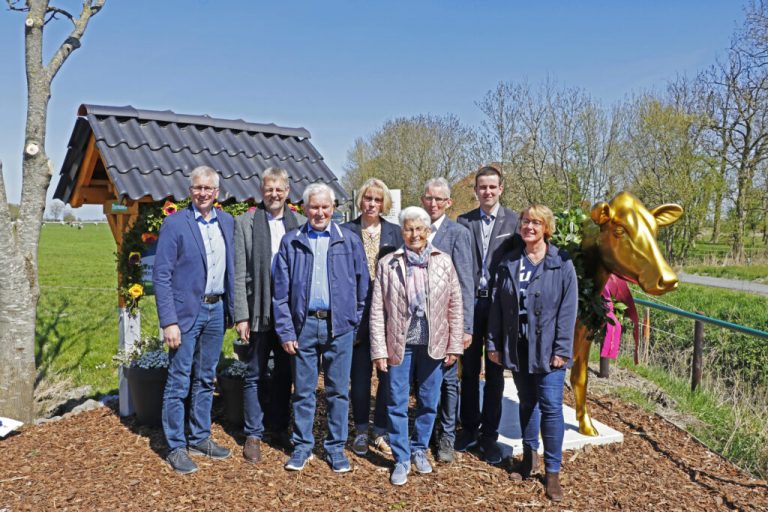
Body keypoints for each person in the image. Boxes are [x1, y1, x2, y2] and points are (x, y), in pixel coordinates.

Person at [272, 183, 369, 473]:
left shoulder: (349, 240)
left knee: (338, 391)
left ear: (333, 209)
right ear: (304, 209)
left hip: (339, 326)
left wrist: (354, 324)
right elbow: (280, 294)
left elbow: (363, 288)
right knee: (303, 391)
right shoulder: (291, 242)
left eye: (325, 207)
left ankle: (336, 448)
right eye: (314, 207)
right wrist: (286, 331)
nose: (320, 212)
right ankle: (302, 446)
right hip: (304, 326)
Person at [486, 205, 578, 502]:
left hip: (549, 347)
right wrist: (494, 343)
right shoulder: (510, 262)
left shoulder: (561, 263)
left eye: (536, 222)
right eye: (525, 221)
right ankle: (529, 458)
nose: (529, 227)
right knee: (527, 403)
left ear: (546, 228)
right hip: (519, 344)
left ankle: (552, 473)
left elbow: (568, 309)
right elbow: (498, 307)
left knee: (551, 406)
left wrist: (563, 348)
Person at [370, 206, 464, 486]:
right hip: (399, 344)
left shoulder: (443, 261)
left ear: (427, 231)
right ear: (402, 232)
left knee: (428, 401)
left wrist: (454, 344)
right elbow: (377, 310)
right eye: (409, 229)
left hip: (433, 344)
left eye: (419, 229)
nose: (414, 234)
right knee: (397, 402)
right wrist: (379, 349)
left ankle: (419, 449)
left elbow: (455, 304)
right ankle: (401, 457)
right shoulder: (388, 264)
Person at [153, 165, 235, 475]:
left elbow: (231, 269)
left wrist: (233, 312)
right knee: (179, 380)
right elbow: (162, 275)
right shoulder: (175, 224)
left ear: (217, 193)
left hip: (217, 311)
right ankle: (176, 446)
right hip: (186, 313)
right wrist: (168, 321)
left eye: (208, 189)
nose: (202, 193)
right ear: (191, 191)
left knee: (205, 378)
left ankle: (199, 437)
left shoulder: (226, 222)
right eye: (197, 188)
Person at [234, 167, 305, 463]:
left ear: (287, 191)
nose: (274, 194)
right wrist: (242, 315)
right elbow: (239, 273)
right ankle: (253, 433)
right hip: (258, 309)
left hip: (289, 313)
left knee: (285, 374)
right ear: (261, 191)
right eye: (268, 189)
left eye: (279, 189)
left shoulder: (299, 222)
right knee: (254, 373)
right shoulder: (246, 222)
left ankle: (277, 427)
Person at [455, 164, 522, 464]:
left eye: (492, 187)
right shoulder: (463, 221)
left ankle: (489, 436)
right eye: (482, 187)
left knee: (495, 372)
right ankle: (469, 428)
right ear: (476, 190)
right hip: (472, 304)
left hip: (498, 308)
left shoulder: (515, 221)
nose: (487, 192)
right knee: (469, 371)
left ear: (501, 189)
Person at [342, 178, 402, 457]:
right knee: (360, 375)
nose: (372, 204)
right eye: (368, 199)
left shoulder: (396, 233)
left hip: (388, 314)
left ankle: (380, 430)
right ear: (360, 200)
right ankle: (361, 429)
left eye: (378, 200)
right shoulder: (345, 231)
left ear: (384, 203)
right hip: (356, 311)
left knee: (388, 374)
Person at [419, 178, 473, 463]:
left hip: (448, 322)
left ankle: (446, 437)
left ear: (449, 203)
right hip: (419, 324)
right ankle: (425, 433)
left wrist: (465, 327)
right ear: (422, 199)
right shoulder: (415, 229)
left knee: (449, 381)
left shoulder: (457, 234)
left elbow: (465, 283)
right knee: (425, 381)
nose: (434, 204)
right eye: (429, 198)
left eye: (440, 199)